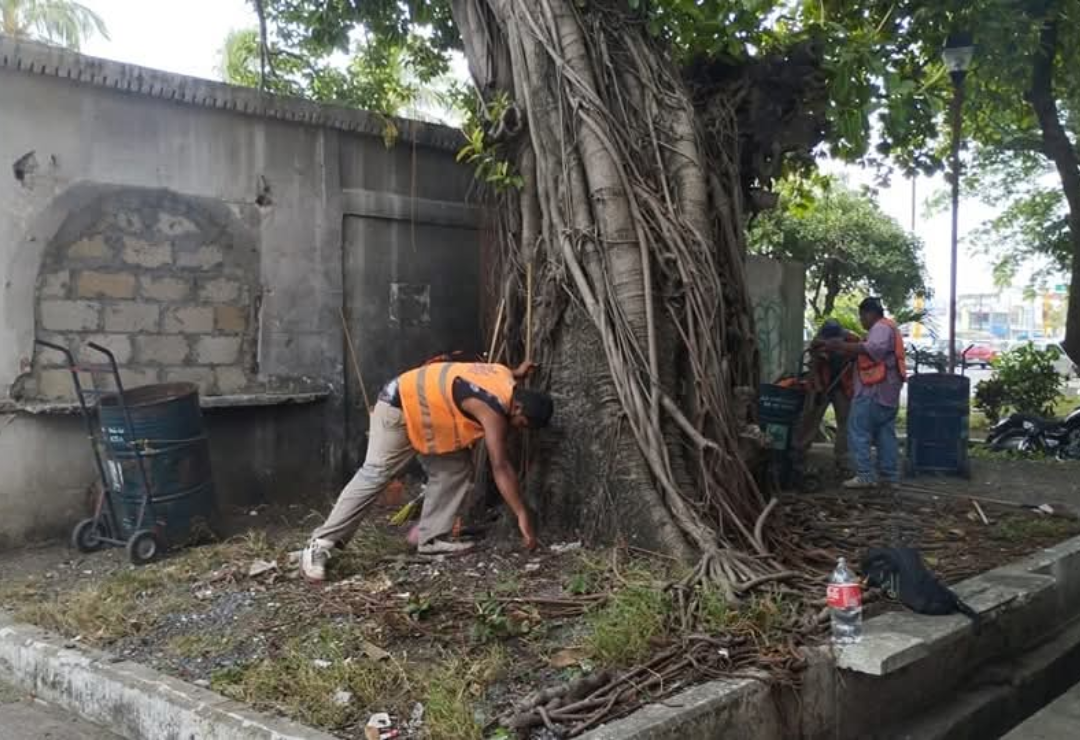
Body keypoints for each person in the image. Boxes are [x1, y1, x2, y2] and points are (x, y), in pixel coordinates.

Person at [301, 360, 554, 582]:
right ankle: (321, 543)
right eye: (522, 425)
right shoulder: (494, 410)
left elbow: (498, 374)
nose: (519, 430)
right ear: (518, 408)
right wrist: (522, 514)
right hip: (399, 407)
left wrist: (519, 372)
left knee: (454, 467)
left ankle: (431, 539)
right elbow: (500, 465)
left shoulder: (504, 377)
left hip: (427, 415)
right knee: (376, 473)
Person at [820, 297, 907, 490]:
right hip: (888, 393)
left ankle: (865, 475)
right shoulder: (890, 328)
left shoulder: (880, 328)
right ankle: (889, 476)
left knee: (858, 430)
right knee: (885, 434)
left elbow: (873, 350)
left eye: (862, 316)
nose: (861, 321)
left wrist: (841, 346)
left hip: (873, 391)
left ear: (869, 313)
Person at [796, 319, 860, 479]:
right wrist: (816, 389)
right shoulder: (818, 343)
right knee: (811, 416)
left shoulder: (851, 340)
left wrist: (844, 349)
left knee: (845, 421)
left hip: (842, 386)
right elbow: (814, 367)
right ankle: (799, 452)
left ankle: (842, 458)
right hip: (822, 385)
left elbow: (861, 347)